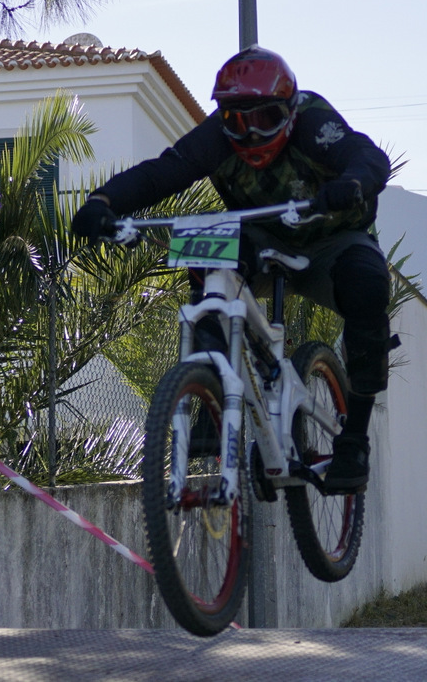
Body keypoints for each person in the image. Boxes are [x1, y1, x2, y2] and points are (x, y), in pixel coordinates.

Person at [71, 46, 391, 494]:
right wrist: (102, 202)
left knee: (368, 288)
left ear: (290, 110)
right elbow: (161, 173)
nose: (251, 133)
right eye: (237, 121)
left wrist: (352, 183)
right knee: (204, 249)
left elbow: (367, 156)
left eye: (266, 118)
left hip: (333, 241)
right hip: (260, 236)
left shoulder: (313, 121)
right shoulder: (217, 137)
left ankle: (354, 440)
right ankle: (213, 394)